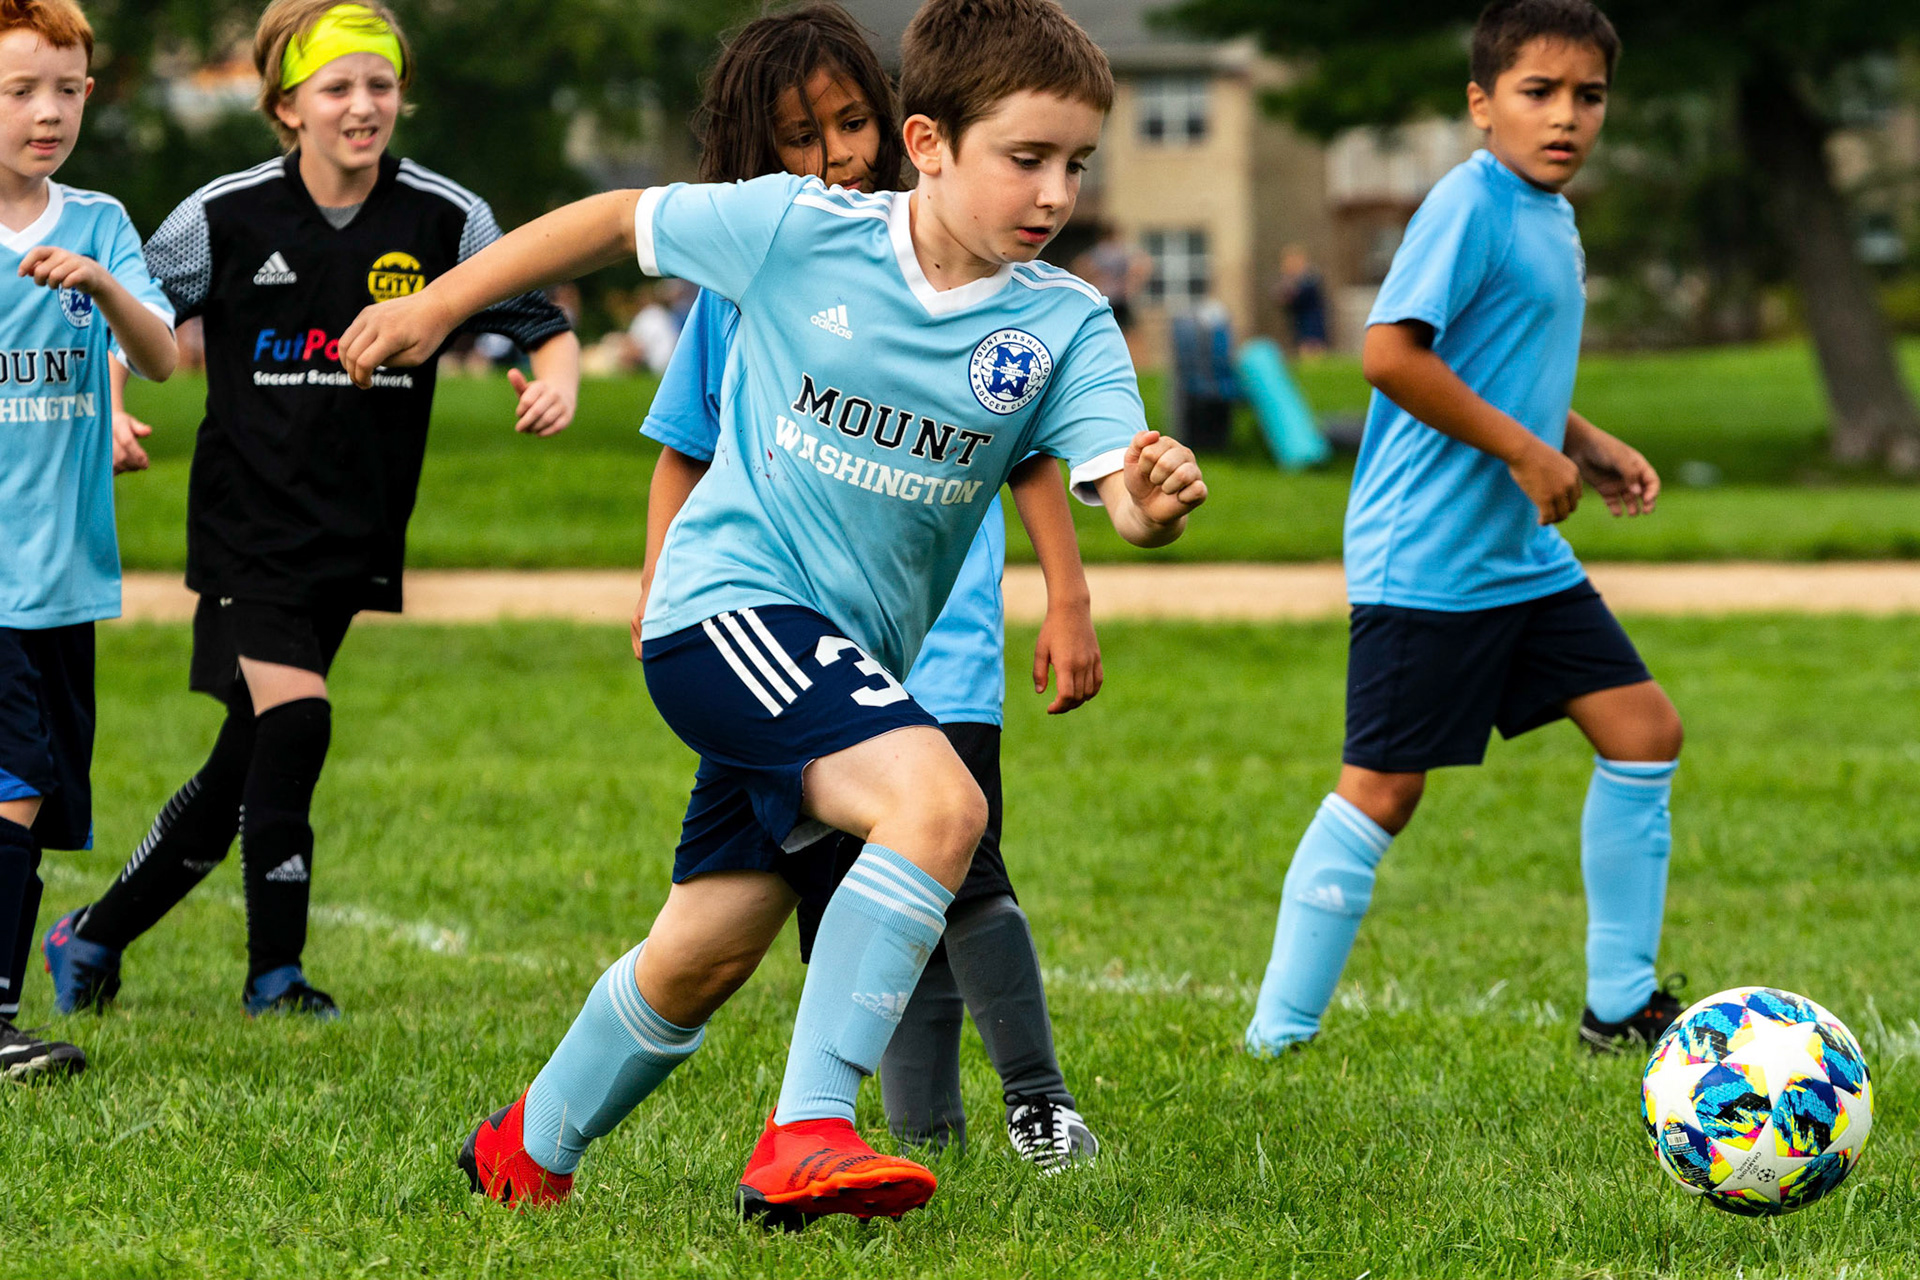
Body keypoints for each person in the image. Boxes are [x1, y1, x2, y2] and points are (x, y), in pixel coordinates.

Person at [339, 0, 1206, 1225]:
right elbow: (612, 221)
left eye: (1076, 163)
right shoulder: (802, 229)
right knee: (941, 799)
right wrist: (438, 307)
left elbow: (1120, 493)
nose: (1055, 191)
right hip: (727, 611)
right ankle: (807, 1132)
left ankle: (521, 1152)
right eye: (1027, 157)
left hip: (835, 669)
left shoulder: (1063, 325)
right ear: (929, 141)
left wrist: (1156, 503)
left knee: (707, 948)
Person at [43, 0, 579, 1021]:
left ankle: (95, 932)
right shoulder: (224, 216)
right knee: (297, 724)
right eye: (337, 87)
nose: (363, 104)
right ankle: (275, 976)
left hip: (356, 529)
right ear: (286, 106)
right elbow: (129, 314)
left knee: (244, 758)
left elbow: (535, 317)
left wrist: (556, 379)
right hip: (248, 524)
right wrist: (109, 405)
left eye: (379, 84)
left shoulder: (444, 219)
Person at [638, 1, 1104, 1172]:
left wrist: (1068, 591)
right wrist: (665, 597)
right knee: (848, 879)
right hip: (787, 629)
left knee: (964, 853)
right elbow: (684, 450)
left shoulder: (1009, 300)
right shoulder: (756, 280)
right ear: (756, 158)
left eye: (853, 123)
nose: (837, 155)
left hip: (938, 640)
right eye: (803, 138)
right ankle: (903, 1125)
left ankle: (1035, 1101)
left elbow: (1043, 449)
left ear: (905, 130)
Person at [1244, 0, 1686, 1060]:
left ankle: (1619, 1005)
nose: (1566, 117)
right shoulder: (1470, 204)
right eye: (1539, 93)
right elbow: (1391, 355)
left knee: (1644, 730)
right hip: (1430, 555)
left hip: (1519, 556)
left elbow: (1497, 366)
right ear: (1482, 104)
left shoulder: (1551, 213)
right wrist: (1524, 452)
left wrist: (1577, 439)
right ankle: (1277, 1036)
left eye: (1589, 97)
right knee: (1383, 789)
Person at [0, 0, 177, 1076]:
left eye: (67, 88)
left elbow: (156, 356)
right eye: (21, 89)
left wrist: (106, 291)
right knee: (13, 778)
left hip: (63, 571)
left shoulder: (100, 222)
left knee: (38, 789)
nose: (48, 111)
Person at [1273, 244, 1328, 356]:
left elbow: (1302, 295)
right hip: (1299, 320)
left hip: (1312, 319)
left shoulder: (1310, 277)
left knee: (1313, 346)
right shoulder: (1289, 279)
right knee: (1303, 346)